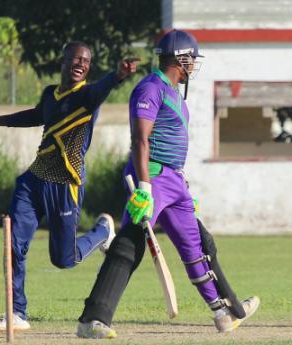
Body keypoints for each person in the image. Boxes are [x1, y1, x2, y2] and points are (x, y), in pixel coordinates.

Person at [76, 30, 260, 339]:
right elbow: (140, 139)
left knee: (198, 246)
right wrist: (145, 186)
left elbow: (171, 144)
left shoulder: (177, 96)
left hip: (174, 180)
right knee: (129, 246)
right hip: (153, 177)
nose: (193, 67)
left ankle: (222, 313)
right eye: (191, 60)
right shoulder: (150, 88)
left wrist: (181, 181)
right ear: (182, 59)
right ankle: (91, 320)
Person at [0, 41, 140, 331]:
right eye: (76, 58)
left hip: (65, 185)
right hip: (33, 182)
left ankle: (102, 232)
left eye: (86, 61)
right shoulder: (49, 94)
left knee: (64, 260)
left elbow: (106, 86)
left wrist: (119, 75)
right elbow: (32, 116)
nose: (80, 64)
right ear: (64, 60)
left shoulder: (88, 96)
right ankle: (17, 312)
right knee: (14, 245)